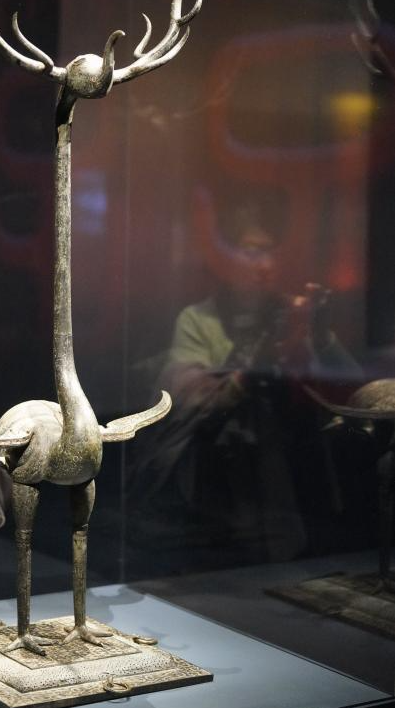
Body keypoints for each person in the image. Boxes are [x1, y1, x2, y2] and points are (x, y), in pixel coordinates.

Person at [135, 203, 362, 562]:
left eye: (270, 251)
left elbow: (354, 391)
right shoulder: (198, 321)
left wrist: (320, 337)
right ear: (224, 258)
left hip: (287, 486)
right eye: (251, 251)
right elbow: (191, 403)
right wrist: (250, 373)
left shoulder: (291, 315)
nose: (264, 263)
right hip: (217, 487)